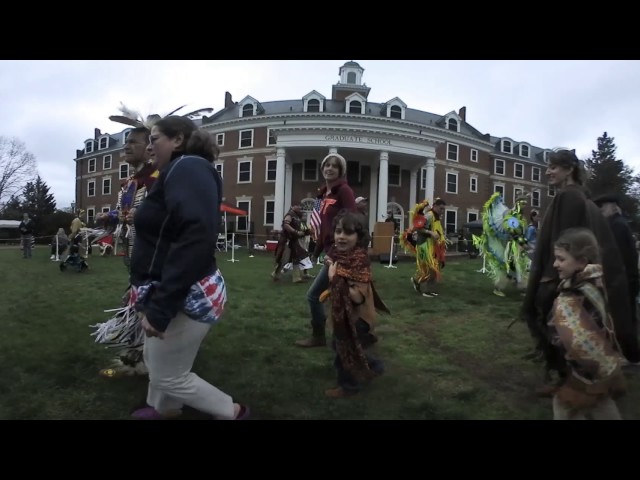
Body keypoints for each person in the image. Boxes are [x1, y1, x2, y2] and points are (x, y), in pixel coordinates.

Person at [129, 115, 248, 420]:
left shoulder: (188, 167)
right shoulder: (177, 171)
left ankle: (232, 411)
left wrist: (161, 307)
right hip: (173, 287)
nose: (149, 147)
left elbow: (196, 235)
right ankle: (163, 409)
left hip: (185, 293)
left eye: (154, 139)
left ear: (178, 140)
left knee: (168, 374)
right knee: (159, 361)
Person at [520, 149, 639, 390]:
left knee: (563, 331)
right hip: (567, 275)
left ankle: (573, 385)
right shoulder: (574, 196)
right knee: (566, 332)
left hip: (562, 278)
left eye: (553, 167)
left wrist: (552, 277)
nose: (548, 171)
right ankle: (568, 382)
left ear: (568, 169)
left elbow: (565, 241)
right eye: (548, 166)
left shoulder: (570, 197)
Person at [91, 115, 160, 379]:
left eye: (133, 142)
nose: (126, 147)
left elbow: (166, 217)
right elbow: (124, 212)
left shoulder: (157, 178)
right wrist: (108, 217)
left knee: (145, 304)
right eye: (125, 142)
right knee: (137, 302)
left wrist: (141, 219)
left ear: (149, 146)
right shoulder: (132, 182)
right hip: (135, 255)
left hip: (154, 256)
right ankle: (142, 356)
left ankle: (147, 359)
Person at [548, 227, 626, 420]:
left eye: (561, 259)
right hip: (604, 367)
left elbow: (576, 338)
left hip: (584, 371)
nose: (555, 264)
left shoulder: (576, 294)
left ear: (581, 262)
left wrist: (555, 333)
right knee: (601, 403)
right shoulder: (594, 282)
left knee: (566, 405)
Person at [320, 210, 390, 397]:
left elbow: (357, 297)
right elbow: (330, 258)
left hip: (357, 318)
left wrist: (335, 278)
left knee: (345, 353)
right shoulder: (340, 256)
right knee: (338, 346)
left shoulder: (358, 262)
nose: (341, 236)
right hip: (343, 315)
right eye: (338, 231)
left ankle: (348, 387)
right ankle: (374, 366)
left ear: (359, 237)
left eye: (348, 232)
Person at [296, 153, 357, 348]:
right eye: (326, 165)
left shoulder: (344, 191)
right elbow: (321, 224)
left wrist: (335, 252)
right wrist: (316, 251)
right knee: (336, 298)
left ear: (341, 171)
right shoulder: (321, 195)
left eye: (334, 166)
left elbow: (351, 221)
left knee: (316, 296)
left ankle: (325, 337)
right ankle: (338, 339)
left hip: (340, 253)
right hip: (328, 250)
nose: (329, 168)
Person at [593, 193, 639, 326]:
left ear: (614, 207)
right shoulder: (619, 223)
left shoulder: (616, 225)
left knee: (624, 322)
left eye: (602, 207)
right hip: (626, 280)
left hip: (622, 281)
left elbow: (616, 257)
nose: (600, 210)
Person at [401, 198, 448, 297]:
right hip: (424, 245)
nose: (442, 211)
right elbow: (418, 227)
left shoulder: (436, 217)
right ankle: (426, 291)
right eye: (440, 208)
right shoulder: (429, 215)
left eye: (443, 209)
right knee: (430, 268)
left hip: (432, 246)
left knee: (433, 267)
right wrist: (430, 232)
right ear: (434, 206)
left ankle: (418, 281)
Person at [272, 204, 311, 283]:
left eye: (300, 207)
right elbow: (286, 225)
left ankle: (296, 278)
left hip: (293, 240)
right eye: (298, 206)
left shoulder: (296, 216)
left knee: (296, 258)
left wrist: (304, 232)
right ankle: (275, 273)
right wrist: (295, 232)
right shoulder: (290, 214)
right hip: (287, 240)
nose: (299, 207)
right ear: (293, 206)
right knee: (284, 259)